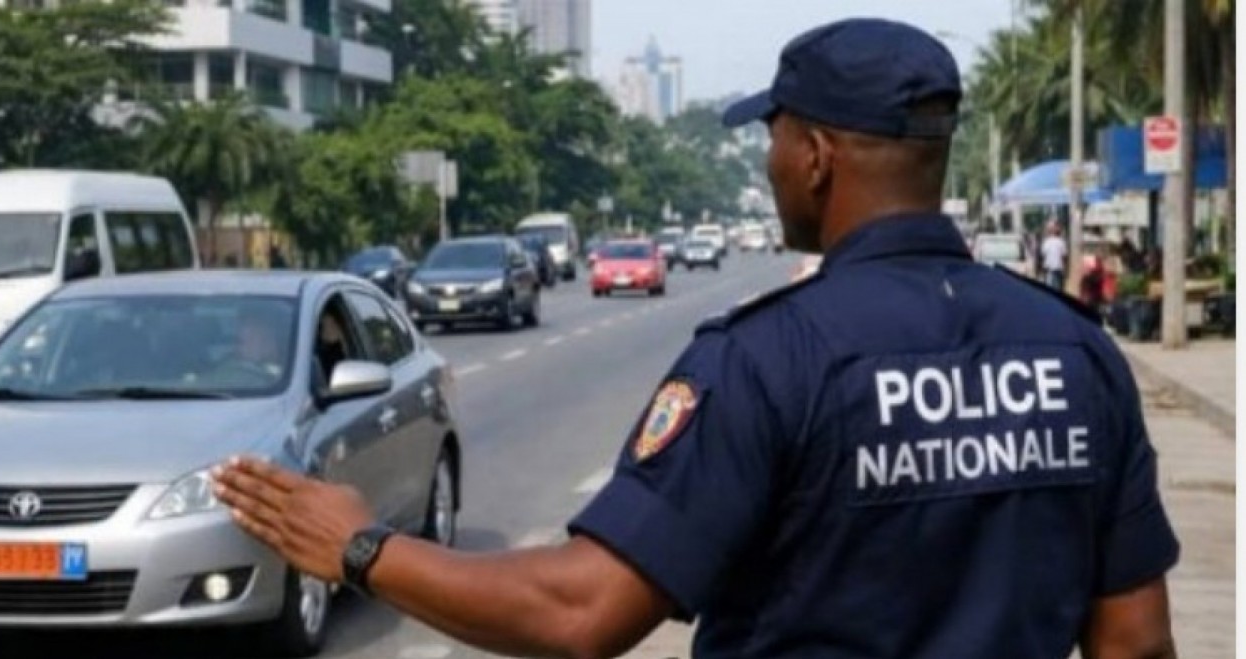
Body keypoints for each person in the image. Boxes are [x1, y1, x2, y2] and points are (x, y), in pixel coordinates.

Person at [211, 18, 1178, 659]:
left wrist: (359, 546)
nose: (767, 162)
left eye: (773, 138)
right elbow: (1134, 642)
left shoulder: (769, 358)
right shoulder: (1075, 352)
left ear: (815, 155)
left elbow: (581, 611)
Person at [1041, 222, 1069, 290]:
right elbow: (1064, 257)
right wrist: (1066, 270)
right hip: (1058, 270)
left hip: (1049, 270)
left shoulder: (1046, 242)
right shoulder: (1061, 242)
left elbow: (1043, 256)